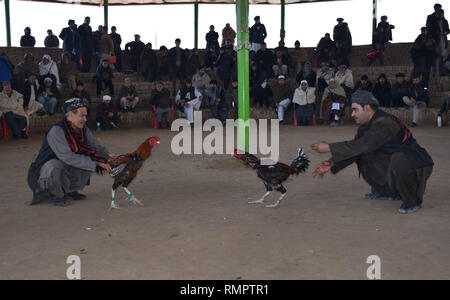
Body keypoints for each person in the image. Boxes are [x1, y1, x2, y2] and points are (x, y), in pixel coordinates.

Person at [311, 90, 434, 214]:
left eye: (355, 109)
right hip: (398, 163)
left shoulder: (385, 123)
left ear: (367, 108)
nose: (352, 114)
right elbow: (355, 150)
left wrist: (329, 147)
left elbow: (362, 145)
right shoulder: (366, 126)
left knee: (398, 158)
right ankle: (385, 191)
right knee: (367, 153)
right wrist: (331, 162)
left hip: (417, 164)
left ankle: (412, 201)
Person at [27, 98, 113, 207]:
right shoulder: (56, 131)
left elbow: (95, 146)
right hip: (44, 173)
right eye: (82, 115)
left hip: (64, 164)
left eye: (86, 115)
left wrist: (109, 156)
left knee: (87, 158)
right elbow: (67, 157)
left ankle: (70, 190)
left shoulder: (83, 129)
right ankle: (56, 195)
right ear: (71, 115)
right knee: (54, 165)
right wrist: (96, 164)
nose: (85, 119)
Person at [427, 9, 449, 76]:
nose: (441, 15)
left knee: (443, 58)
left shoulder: (445, 21)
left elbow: (448, 30)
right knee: (434, 58)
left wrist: (446, 32)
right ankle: (433, 73)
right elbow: (430, 30)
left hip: (443, 41)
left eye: (442, 14)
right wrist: (437, 34)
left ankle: (442, 72)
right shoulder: (433, 21)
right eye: (440, 14)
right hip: (435, 42)